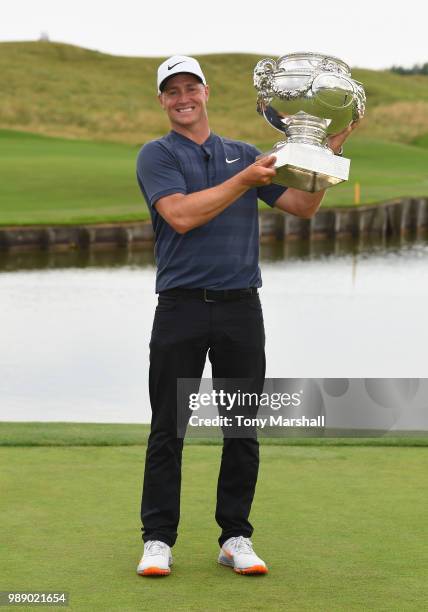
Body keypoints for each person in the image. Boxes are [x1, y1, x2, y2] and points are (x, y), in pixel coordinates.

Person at [135, 55, 357, 577]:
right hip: (181, 308)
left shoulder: (243, 154)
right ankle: (158, 540)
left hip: (241, 309)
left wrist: (326, 157)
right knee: (169, 428)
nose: (183, 97)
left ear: (206, 93)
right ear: (163, 100)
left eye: (191, 87)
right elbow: (182, 216)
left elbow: (303, 208)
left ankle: (235, 535)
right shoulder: (157, 155)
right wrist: (245, 181)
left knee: (241, 428)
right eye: (172, 91)